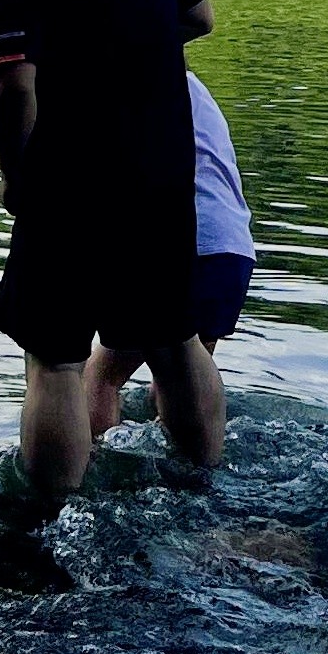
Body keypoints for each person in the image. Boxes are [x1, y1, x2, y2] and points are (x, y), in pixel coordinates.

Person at [0, 0, 220, 520]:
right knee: (174, 338)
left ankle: (52, 515)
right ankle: (205, 482)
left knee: (56, 357)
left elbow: (12, 85)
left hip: (67, 179)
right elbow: (201, 16)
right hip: (160, 170)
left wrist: (18, 176)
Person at [87, 68, 257, 450]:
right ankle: (189, 475)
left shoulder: (124, 78)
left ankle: (87, 463)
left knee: (101, 376)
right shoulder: (189, 82)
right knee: (180, 376)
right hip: (231, 248)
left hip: (179, 243)